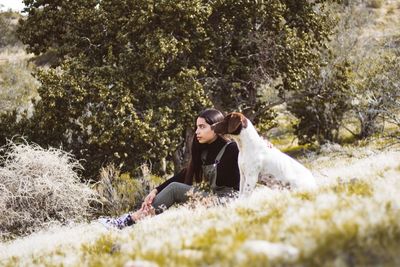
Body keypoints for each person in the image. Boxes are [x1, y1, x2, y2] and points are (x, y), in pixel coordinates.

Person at [99, 108, 240, 229]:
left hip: (230, 202)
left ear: (216, 127)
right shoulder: (204, 152)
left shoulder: (233, 149)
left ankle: (127, 221)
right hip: (213, 200)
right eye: (197, 127)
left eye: (202, 127)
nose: (197, 131)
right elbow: (183, 175)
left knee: (174, 189)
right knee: (174, 187)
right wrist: (155, 190)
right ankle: (130, 221)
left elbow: (252, 170)